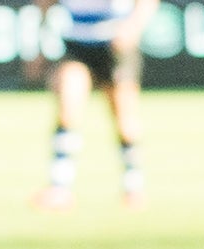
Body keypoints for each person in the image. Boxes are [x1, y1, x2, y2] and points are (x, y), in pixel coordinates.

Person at [33, 0, 158, 211]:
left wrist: (133, 27)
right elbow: (45, 3)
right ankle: (60, 188)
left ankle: (133, 187)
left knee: (124, 121)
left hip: (114, 44)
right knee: (67, 110)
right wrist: (41, 43)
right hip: (76, 42)